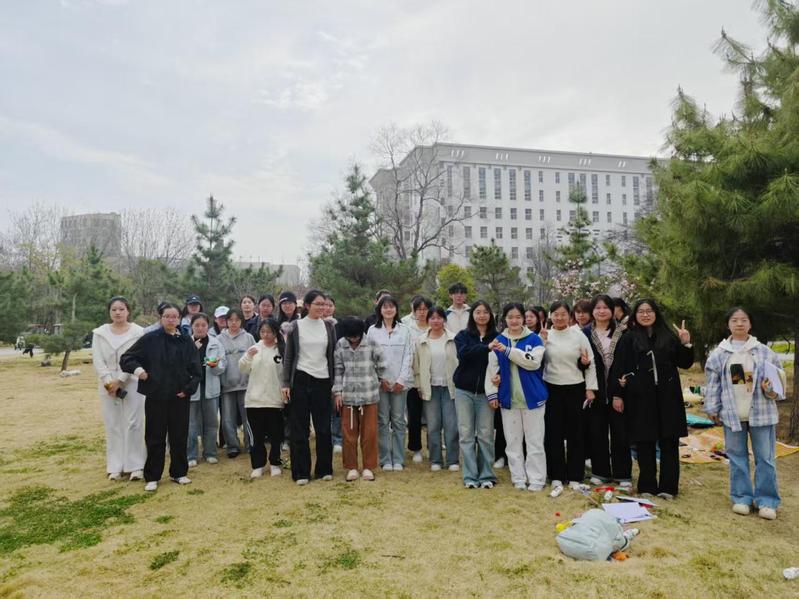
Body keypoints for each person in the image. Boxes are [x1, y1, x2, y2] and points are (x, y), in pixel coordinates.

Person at [704, 307, 786, 520]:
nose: (739, 324)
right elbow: (713, 384)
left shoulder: (763, 352)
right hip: (733, 415)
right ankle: (741, 498)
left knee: (765, 458)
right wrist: (712, 408)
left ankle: (767, 501)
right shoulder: (720, 354)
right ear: (728, 324)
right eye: (734, 320)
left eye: (744, 320)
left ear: (750, 324)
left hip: (762, 413)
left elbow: (777, 385)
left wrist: (770, 389)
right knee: (737, 457)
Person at [610, 299, 693, 499]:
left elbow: (685, 362)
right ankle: (647, 485)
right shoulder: (628, 338)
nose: (645, 315)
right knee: (644, 441)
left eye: (649, 311)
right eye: (641, 311)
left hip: (668, 396)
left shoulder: (668, 336)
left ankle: (668, 487)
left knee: (669, 442)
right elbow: (619, 367)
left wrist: (686, 342)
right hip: (640, 397)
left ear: (656, 314)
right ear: (635, 315)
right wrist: (617, 394)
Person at [120, 303, 202, 492]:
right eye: (167, 316)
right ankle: (152, 476)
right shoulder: (150, 339)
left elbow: (196, 370)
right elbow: (127, 358)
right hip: (156, 395)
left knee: (179, 436)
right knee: (155, 437)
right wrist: (140, 372)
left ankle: (179, 472)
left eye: (174, 317)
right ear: (161, 318)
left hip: (180, 397)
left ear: (180, 319)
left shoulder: (185, 341)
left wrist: (188, 389)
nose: (171, 320)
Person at [485, 302, 548, 491]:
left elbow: (533, 363)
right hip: (508, 399)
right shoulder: (498, 340)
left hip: (533, 398)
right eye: (510, 317)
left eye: (518, 317)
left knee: (535, 441)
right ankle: (518, 477)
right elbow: (492, 370)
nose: (514, 321)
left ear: (524, 319)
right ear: (504, 319)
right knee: (512, 442)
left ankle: (536, 479)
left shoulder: (534, 339)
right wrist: (492, 393)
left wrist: (508, 351)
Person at [281, 289, 337, 485]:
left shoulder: (329, 326)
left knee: (323, 428)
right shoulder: (296, 326)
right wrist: (286, 383)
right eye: (318, 304)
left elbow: (332, 356)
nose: (322, 307)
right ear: (307, 306)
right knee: (300, 429)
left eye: (324, 304)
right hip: (301, 380)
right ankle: (301, 472)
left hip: (323, 380)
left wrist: (334, 383)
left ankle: (324, 469)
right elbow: (288, 357)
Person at [541, 300, 598, 494]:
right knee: (553, 434)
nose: (559, 317)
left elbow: (590, 363)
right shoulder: (545, 335)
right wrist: (541, 343)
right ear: (550, 316)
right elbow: (537, 362)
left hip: (575, 388)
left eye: (563, 314)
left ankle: (575, 475)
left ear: (569, 316)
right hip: (552, 388)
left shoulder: (578, 334)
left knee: (576, 433)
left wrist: (590, 388)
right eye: (555, 314)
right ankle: (556, 475)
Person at [91, 296, 146, 481]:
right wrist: (109, 382)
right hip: (107, 384)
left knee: (134, 422)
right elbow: (98, 360)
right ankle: (115, 465)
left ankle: (136, 465)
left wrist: (121, 380)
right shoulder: (100, 333)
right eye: (114, 309)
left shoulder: (139, 332)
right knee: (113, 424)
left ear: (128, 311)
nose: (118, 312)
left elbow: (139, 357)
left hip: (131, 381)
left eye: (121, 309)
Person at [582, 295, 631, 488]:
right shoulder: (584, 334)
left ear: (612, 310)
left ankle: (623, 474)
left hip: (618, 390)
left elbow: (626, 363)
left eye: (605, 308)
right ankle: (600, 471)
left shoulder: (624, 333)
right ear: (592, 311)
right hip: (594, 390)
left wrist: (619, 391)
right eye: (597, 308)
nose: (601, 311)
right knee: (597, 432)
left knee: (620, 433)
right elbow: (580, 362)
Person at [333, 316, 387, 482]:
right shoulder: (341, 344)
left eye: (356, 337)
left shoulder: (371, 342)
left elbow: (382, 364)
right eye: (350, 337)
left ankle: (369, 467)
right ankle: (351, 467)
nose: (353, 340)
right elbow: (338, 369)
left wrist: (377, 380)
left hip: (369, 396)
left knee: (369, 434)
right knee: (348, 434)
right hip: (348, 396)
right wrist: (337, 392)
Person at [453, 300, 499, 489]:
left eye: (485, 312)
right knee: (466, 434)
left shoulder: (498, 337)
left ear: (491, 315)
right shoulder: (463, 336)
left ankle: (487, 474)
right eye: (478, 312)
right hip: (464, 390)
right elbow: (463, 354)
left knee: (486, 434)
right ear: (472, 315)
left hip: (486, 393)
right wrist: (486, 347)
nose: (482, 315)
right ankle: (470, 475)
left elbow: (503, 362)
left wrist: (499, 377)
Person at [367, 295, 413, 471]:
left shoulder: (405, 330)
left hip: (400, 384)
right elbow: (370, 357)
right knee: (383, 420)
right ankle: (386, 458)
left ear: (396, 309)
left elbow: (409, 356)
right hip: (381, 384)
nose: (388, 309)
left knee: (399, 421)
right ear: (379, 310)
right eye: (384, 307)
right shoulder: (372, 330)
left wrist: (401, 379)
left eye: (391, 306)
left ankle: (399, 459)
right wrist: (380, 379)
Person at [413, 307, 460, 472]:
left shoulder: (454, 339)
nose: (435, 321)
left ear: (444, 319)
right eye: (432, 318)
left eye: (439, 317)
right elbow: (417, 366)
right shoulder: (420, 341)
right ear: (428, 320)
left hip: (450, 387)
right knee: (433, 425)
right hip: (430, 387)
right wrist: (419, 385)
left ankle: (453, 459)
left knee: (451, 425)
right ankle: (436, 460)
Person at [239, 317, 287, 479]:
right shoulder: (254, 348)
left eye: (269, 332)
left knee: (276, 435)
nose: (265, 335)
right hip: (254, 400)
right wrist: (248, 356)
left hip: (275, 399)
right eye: (263, 331)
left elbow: (285, 374)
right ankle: (258, 465)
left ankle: (275, 463)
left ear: (276, 333)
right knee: (257, 436)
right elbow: (243, 368)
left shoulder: (282, 349)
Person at [187, 313, 225, 467]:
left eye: (203, 325)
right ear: (192, 326)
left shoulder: (216, 343)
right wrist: (193, 351)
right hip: (192, 389)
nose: (200, 328)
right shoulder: (186, 343)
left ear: (208, 326)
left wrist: (215, 366)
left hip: (211, 387)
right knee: (191, 424)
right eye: (197, 325)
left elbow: (223, 366)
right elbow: (181, 366)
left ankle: (210, 452)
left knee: (211, 422)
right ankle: (191, 455)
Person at [218, 308, 256, 458]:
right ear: (226, 322)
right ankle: (232, 446)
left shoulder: (248, 338)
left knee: (248, 416)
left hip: (246, 384)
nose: (234, 323)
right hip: (226, 385)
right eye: (231, 320)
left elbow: (255, 358)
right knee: (228, 418)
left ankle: (250, 443)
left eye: (237, 320)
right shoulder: (219, 339)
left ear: (241, 321)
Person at [406, 295, 432, 463]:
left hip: (433, 378)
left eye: (425, 309)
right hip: (414, 379)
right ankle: (415, 448)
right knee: (414, 415)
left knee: (433, 417)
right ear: (414, 312)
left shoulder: (436, 326)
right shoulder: (407, 328)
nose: (422, 312)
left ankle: (434, 447)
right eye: (419, 309)